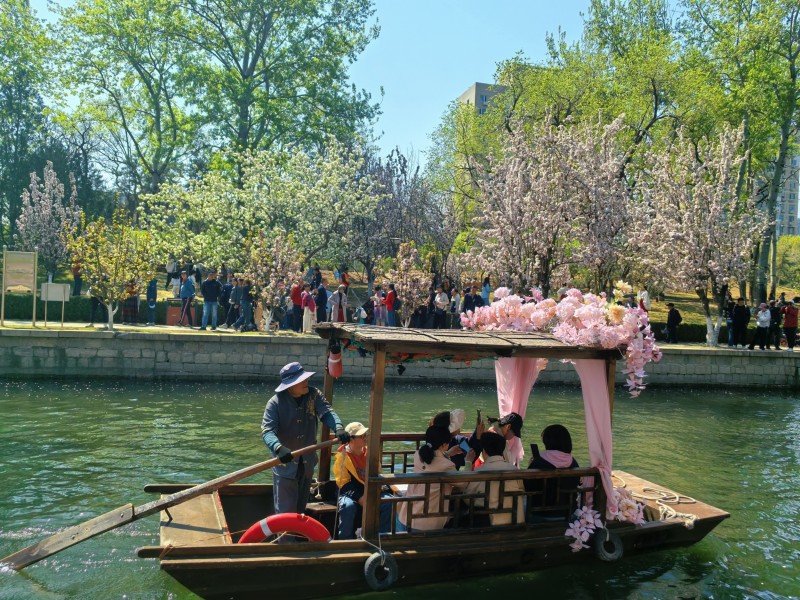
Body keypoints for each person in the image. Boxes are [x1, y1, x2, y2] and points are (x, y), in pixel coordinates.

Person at [261, 362, 349, 516]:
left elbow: (326, 412)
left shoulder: (313, 395)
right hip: (285, 465)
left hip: (307, 462)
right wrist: (278, 447)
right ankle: (285, 533)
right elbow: (267, 431)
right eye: (301, 380)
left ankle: (297, 532)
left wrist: (338, 427)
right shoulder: (274, 403)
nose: (306, 381)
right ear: (290, 385)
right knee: (285, 513)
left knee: (300, 509)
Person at [396, 425, 467, 532]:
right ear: (444, 445)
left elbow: (433, 461)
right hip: (427, 523)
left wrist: (447, 453)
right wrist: (468, 462)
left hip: (405, 516)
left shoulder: (418, 455)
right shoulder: (447, 466)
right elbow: (464, 483)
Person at [333, 421, 392, 539]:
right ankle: (345, 541)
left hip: (369, 489)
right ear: (351, 439)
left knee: (389, 501)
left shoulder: (370, 453)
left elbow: (378, 473)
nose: (365, 438)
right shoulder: (342, 457)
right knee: (348, 506)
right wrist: (359, 497)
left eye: (366, 435)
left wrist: (380, 487)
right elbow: (343, 483)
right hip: (349, 492)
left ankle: (382, 538)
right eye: (361, 436)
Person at [464, 431, 525, 526]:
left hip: (490, 525)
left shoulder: (479, 471)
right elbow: (522, 490)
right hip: (516, 521)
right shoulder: (514, 470)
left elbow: (467, 498)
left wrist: (468, 463)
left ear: (484, 451)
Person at [525, 424, 580, 522]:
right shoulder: (573, 462)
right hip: (568, 514)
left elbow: (526, 486)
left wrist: (531, 465)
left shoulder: (538, 462)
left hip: (538, 515)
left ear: (547, 441)